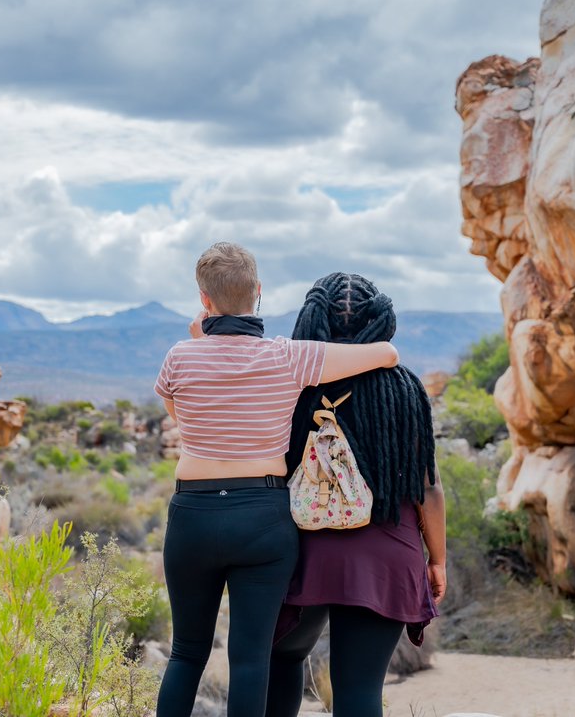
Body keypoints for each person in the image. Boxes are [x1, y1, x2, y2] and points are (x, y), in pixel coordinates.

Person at [154, 243, 401, 717]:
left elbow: (178, 414)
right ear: (259, 294)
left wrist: (203, 343)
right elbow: (387, 354)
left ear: (203, 300)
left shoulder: (180, 357)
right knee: (250, 660)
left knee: (186, 652)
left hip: (193, 515)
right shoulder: (290, 357)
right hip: (262, 517)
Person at [265, 272, 447, 717]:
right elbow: (428, 487)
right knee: (359, 691)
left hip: (301, 551)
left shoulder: (294, 386)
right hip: (386, 553)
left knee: (281, 659)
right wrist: (438, 559)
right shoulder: (403, 388)